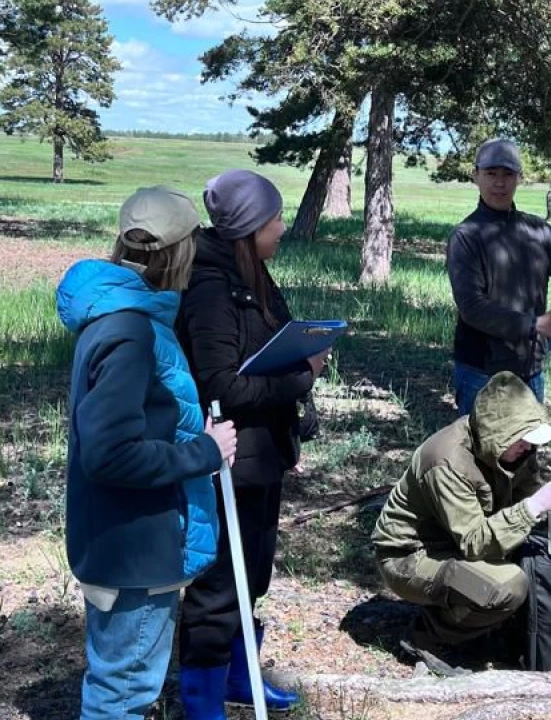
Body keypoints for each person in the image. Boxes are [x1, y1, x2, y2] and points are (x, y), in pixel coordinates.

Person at [55, 186, 238, 720]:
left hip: (128, 538)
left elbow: (136, 418)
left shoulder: (121, 316)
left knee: (124, 683)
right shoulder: (130, 331)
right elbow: (110, 454)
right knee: (124, 693)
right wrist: (202, 452)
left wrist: (187, 430)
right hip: (136, 548)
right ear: (183, 251)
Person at [175, 169, 327, 719]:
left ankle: (241, 677)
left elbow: (267, 349)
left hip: (264, 454)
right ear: (248, 226)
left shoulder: (253, 271)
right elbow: (220, 385)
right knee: (219, 583)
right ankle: (201, 700)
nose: (283, 227)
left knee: (254, 572)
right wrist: (301, 377)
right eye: (274, 219)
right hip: (229, 459)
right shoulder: (210, 286)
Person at [370, 372, 551, 665]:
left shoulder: (509, 449)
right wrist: (533, 507)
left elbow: (530, 488)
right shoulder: (446, 460)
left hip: (457, 544)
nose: (530, 449)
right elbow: (474, 542)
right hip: (410, 558)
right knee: (507, 585)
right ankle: (426, 637)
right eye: (524, 441)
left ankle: (490, 624)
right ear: (498, 432)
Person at [446, 138, 551, 416]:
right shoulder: (466, 236)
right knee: (480, 452)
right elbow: (472, 307)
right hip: (481, 369)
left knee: (525, 451)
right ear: (476, 175)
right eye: (491, 174)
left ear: (519, 178)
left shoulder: (538, 230)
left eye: (508, 175)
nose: (499, 183)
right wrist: (536, 324)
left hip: (530, 368)